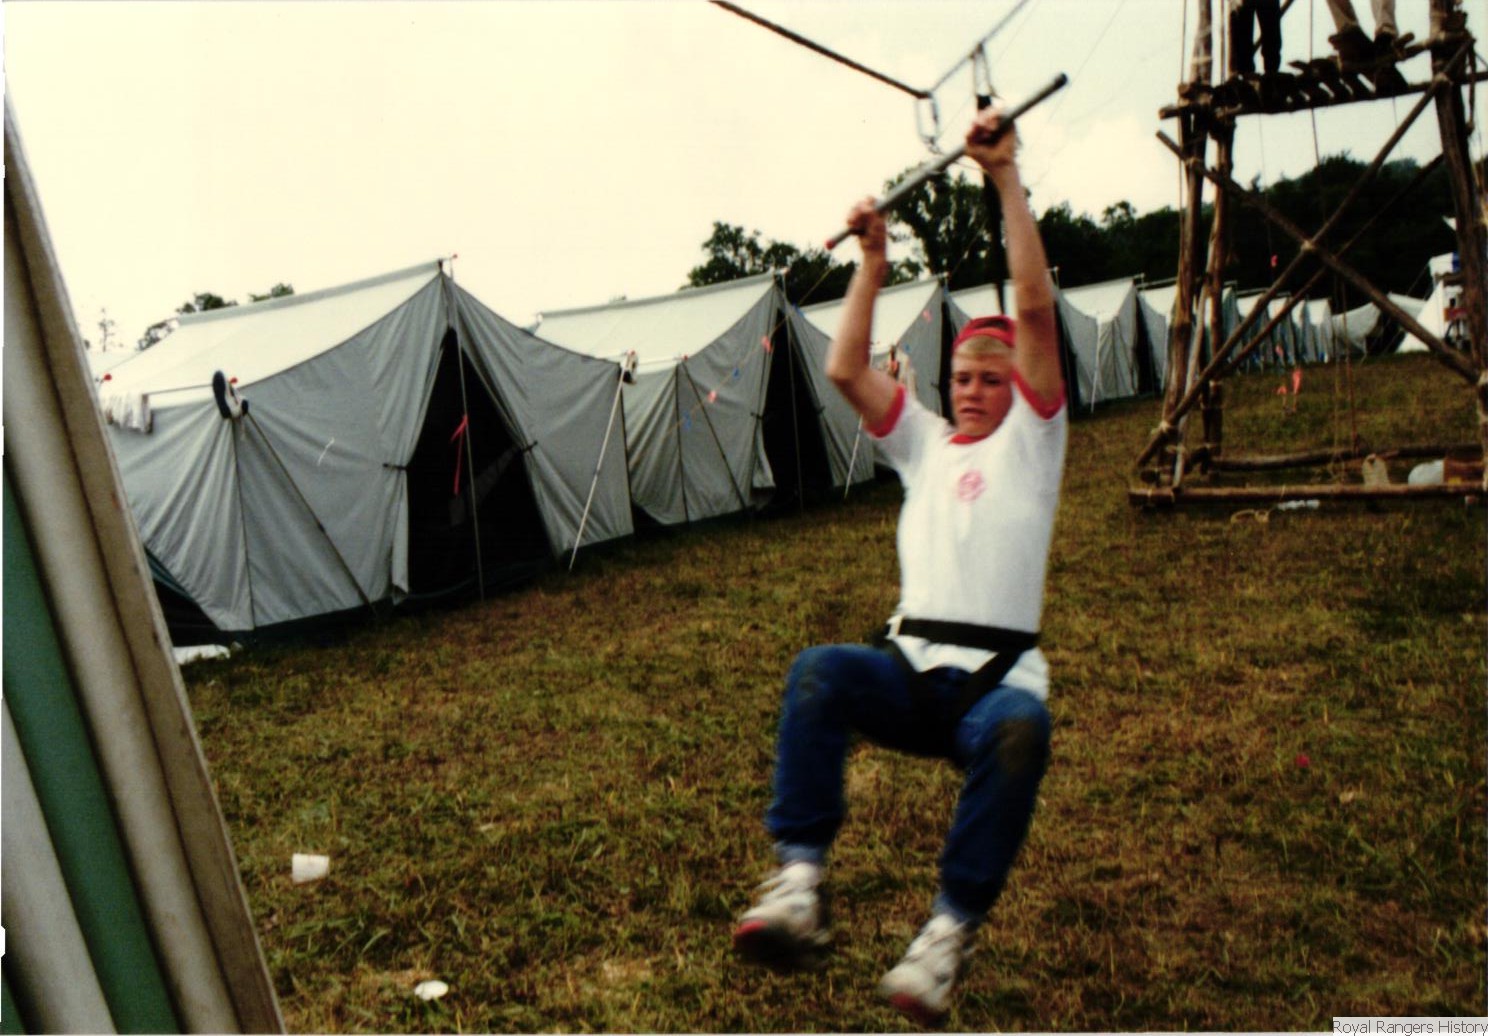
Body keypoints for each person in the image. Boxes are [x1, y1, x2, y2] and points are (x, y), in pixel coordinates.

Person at [732, 104, 1067, 1027]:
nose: (974, 390)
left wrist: (1005, 177)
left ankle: (947, 935)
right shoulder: (924, 445)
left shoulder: (1035, 444)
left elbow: (1035, 311)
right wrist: (872, 265)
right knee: (819, 672)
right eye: (963, 378)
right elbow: (845, 370)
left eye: (992, 379)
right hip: (910, 674)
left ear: (1020, 389)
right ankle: (800, 883)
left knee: (1020, 734)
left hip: (996, 686)